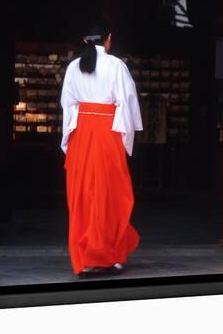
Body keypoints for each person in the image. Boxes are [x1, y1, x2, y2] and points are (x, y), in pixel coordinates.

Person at [60, 21, 143, 279]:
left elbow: (68, 105)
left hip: (81, 134)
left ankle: (84, 258)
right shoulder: (116, 65)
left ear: (85, 40)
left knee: (82, 197)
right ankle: (111, 254)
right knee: (112, 195)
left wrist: (69, 139)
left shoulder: (74, 67)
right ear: (108, 39)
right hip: (108, 133)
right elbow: (127, 103)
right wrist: (127, 138)